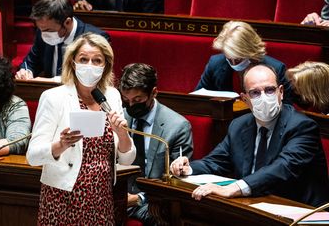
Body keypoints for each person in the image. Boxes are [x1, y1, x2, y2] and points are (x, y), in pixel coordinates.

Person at [171, 64, 329, 207]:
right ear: (244, 99)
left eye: (269, 90)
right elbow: (217, 161)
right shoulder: (239, 125)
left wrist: (235, 188)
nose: (264, 97)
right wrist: (188, 168)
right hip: (253, 205)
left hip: (297, 209)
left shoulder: (302, 126)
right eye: (255, 93)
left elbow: (283, 167)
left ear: (281, 92)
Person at [26, 33, 136, 225]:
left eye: (97, 60)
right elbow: (33, 156)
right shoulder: (54, 97)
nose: (90, 65)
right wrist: (60, 145)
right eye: (83, 59)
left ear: (105, 66)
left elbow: (127, 158)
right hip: (63, 197)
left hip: (101, 198)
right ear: (73, 63)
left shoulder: (112, 96)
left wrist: (122, 133)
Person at [119, 63, 193, 225]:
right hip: (118, 196)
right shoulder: (121, 117)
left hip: (152, 201)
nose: (131, 106)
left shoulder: (177, 127)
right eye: (126, 100)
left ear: (154, 93)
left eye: (137, 100)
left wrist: (139, 198)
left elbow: (176, 179)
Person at [14, 0, 110, 80]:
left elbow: (91, 77)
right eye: (41, 29)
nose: (44, 34)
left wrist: (53, 81)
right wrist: (26, 71)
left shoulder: (97, 39)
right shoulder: (43, 31)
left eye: (48, 30)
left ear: (67, 22)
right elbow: (31, 61)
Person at [195, 21, 292, 103]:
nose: (233, 64)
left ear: (251, 52)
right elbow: (197, 98)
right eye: (229, 58)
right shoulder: (216, 63)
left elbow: (287, 108)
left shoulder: (277, 69)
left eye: (238, 59)